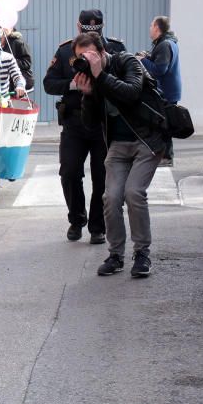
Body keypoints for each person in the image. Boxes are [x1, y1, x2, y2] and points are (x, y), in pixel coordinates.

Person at [73, 31, 165, 278]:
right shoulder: (92, 78)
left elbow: (132, 92)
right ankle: (116, 255)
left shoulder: (126, 62)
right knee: (111, 197)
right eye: (80, 57)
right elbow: (90, 125)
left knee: (134, 193)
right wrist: (88, 95)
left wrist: (100, 75)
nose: (86, 61)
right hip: (118, 145)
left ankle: (142, 253)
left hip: (146, 139)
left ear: (102, 52)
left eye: (90, 55)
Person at [43, 9, 126, 245]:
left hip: (103, 123)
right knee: (69, 172)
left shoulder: (116, 50)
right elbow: (48, 83)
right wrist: (72, 85)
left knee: (102, 177)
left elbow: (124, 85)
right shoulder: (66, 50)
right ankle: (76, 219)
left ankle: (97, 227)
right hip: (74, 122)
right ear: (79, 27)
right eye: (88, 30)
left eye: (96, 30)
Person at [139, 16, 181, 166]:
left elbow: (159, 69)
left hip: (166, 91)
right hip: (169, 90)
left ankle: (166, 157)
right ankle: (164, 156)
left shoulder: (164, 45)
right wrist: (148, 56)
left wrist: (142, 60)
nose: (149, 28)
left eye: (151, 25)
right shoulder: (168, 43)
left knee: (164, 125)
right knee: (164, 123)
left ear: (157, 27)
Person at [1, 27, 34, 92]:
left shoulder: (18, 42)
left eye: (5, 28)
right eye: (0, 27)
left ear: (11, 29)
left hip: (19, 83)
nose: (2, 30)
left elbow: (27, 63)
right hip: (5, 85)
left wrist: (11, 61)